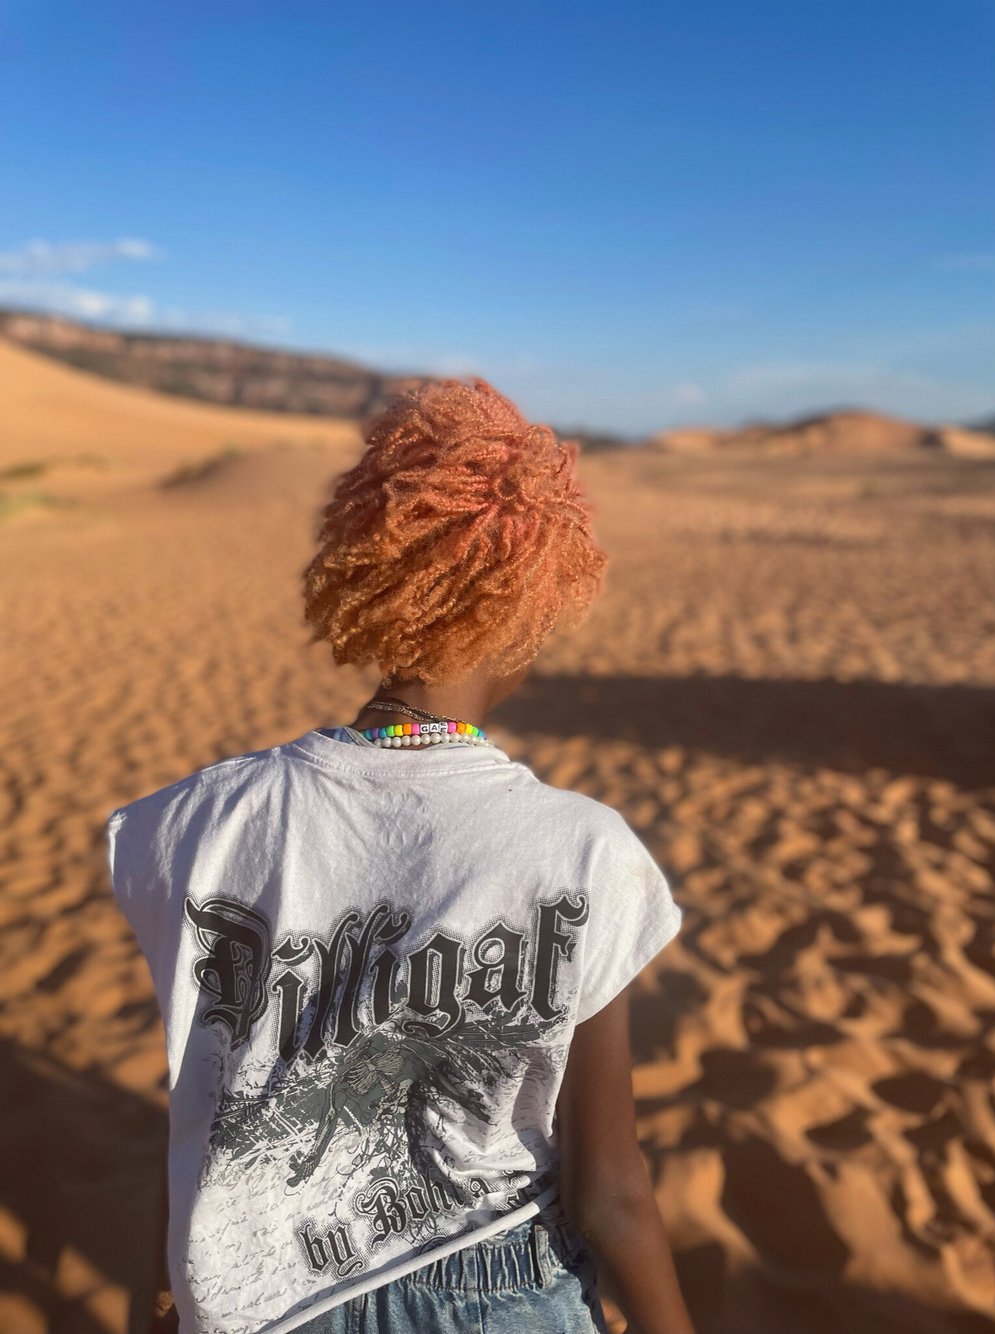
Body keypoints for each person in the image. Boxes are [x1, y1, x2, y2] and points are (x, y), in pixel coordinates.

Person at [106, 378, 694, 1334]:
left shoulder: (190, 825)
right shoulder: (585, 853)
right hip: (502, 1296)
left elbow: (206, 1098)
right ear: (525, 615)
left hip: (255, 1297)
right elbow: (609, 1191)